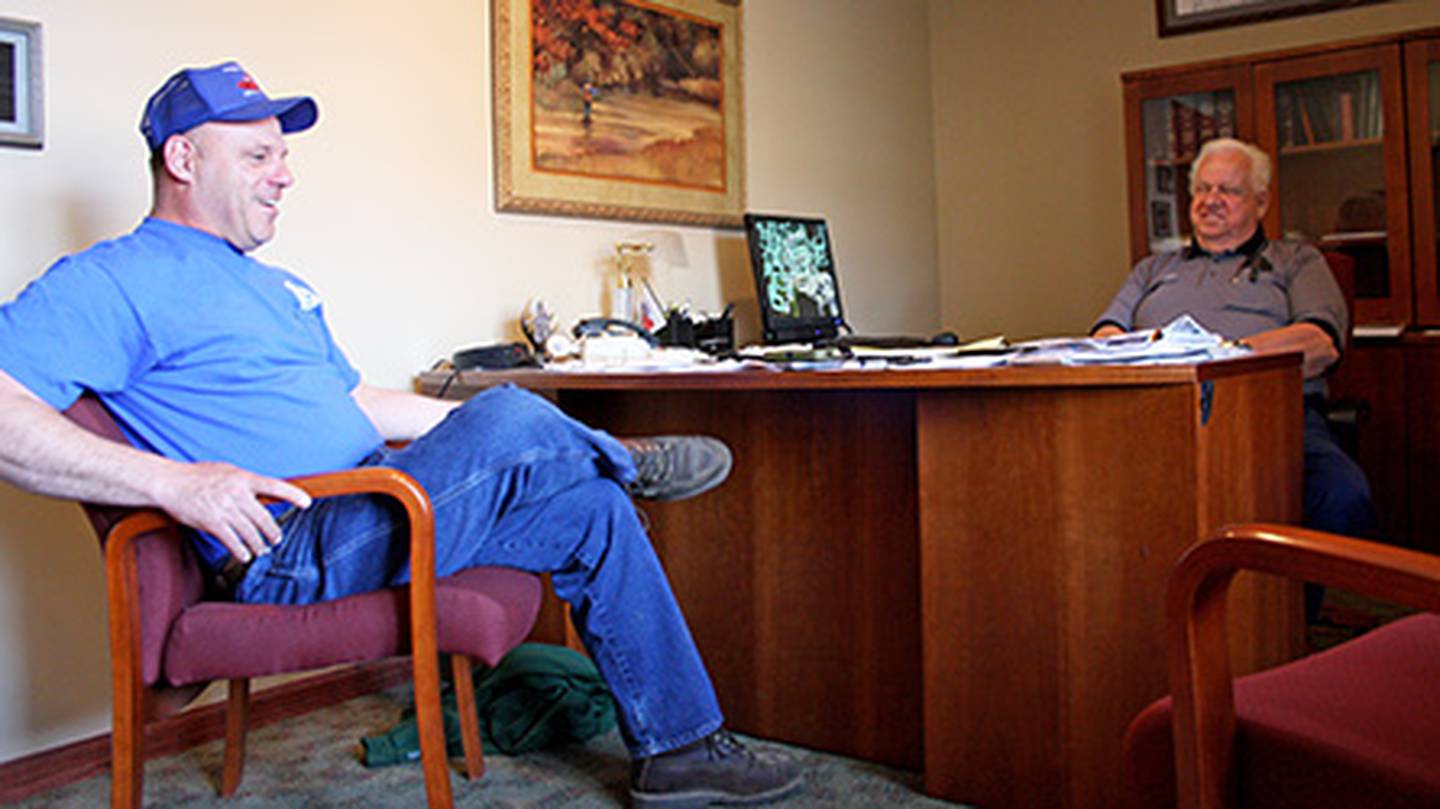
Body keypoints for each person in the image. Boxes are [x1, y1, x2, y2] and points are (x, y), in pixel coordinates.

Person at [0, 62, 802, 808]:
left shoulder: (277, 287)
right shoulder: (111, 281)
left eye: (283, 157)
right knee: (512, 409)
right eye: (257, 156)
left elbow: (360, 402)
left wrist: (506, 445)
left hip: (378, 499)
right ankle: (624, 456)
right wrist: (173, 484)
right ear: (182, 158)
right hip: (291, 542)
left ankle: (681, 749)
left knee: (588, 502)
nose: (284, 174)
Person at [1093, 137, 1376, 616]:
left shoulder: (1297, 261)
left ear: (1261, 201)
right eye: (1202, 190)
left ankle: (1284, 619)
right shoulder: (1152, 269)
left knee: (1343, 495)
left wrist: (1223, 355)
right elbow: (1104, 337)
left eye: (1228, 190)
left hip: (1273, 416)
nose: (1210, 202)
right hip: (1159, 418)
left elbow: (1320, 342)